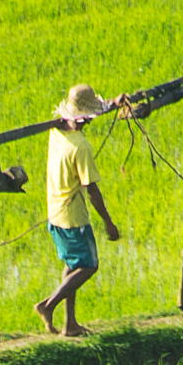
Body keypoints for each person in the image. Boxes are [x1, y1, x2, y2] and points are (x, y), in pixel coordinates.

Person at [34, 83, 123, 337]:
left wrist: (114, 103)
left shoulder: (57, 132)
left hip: (54, 212)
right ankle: (48, 305)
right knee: (88, 266)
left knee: (72, 266)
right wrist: (108, 222)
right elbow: (92, 190)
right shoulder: (81, 147)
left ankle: (69, 324)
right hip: (73, 216)